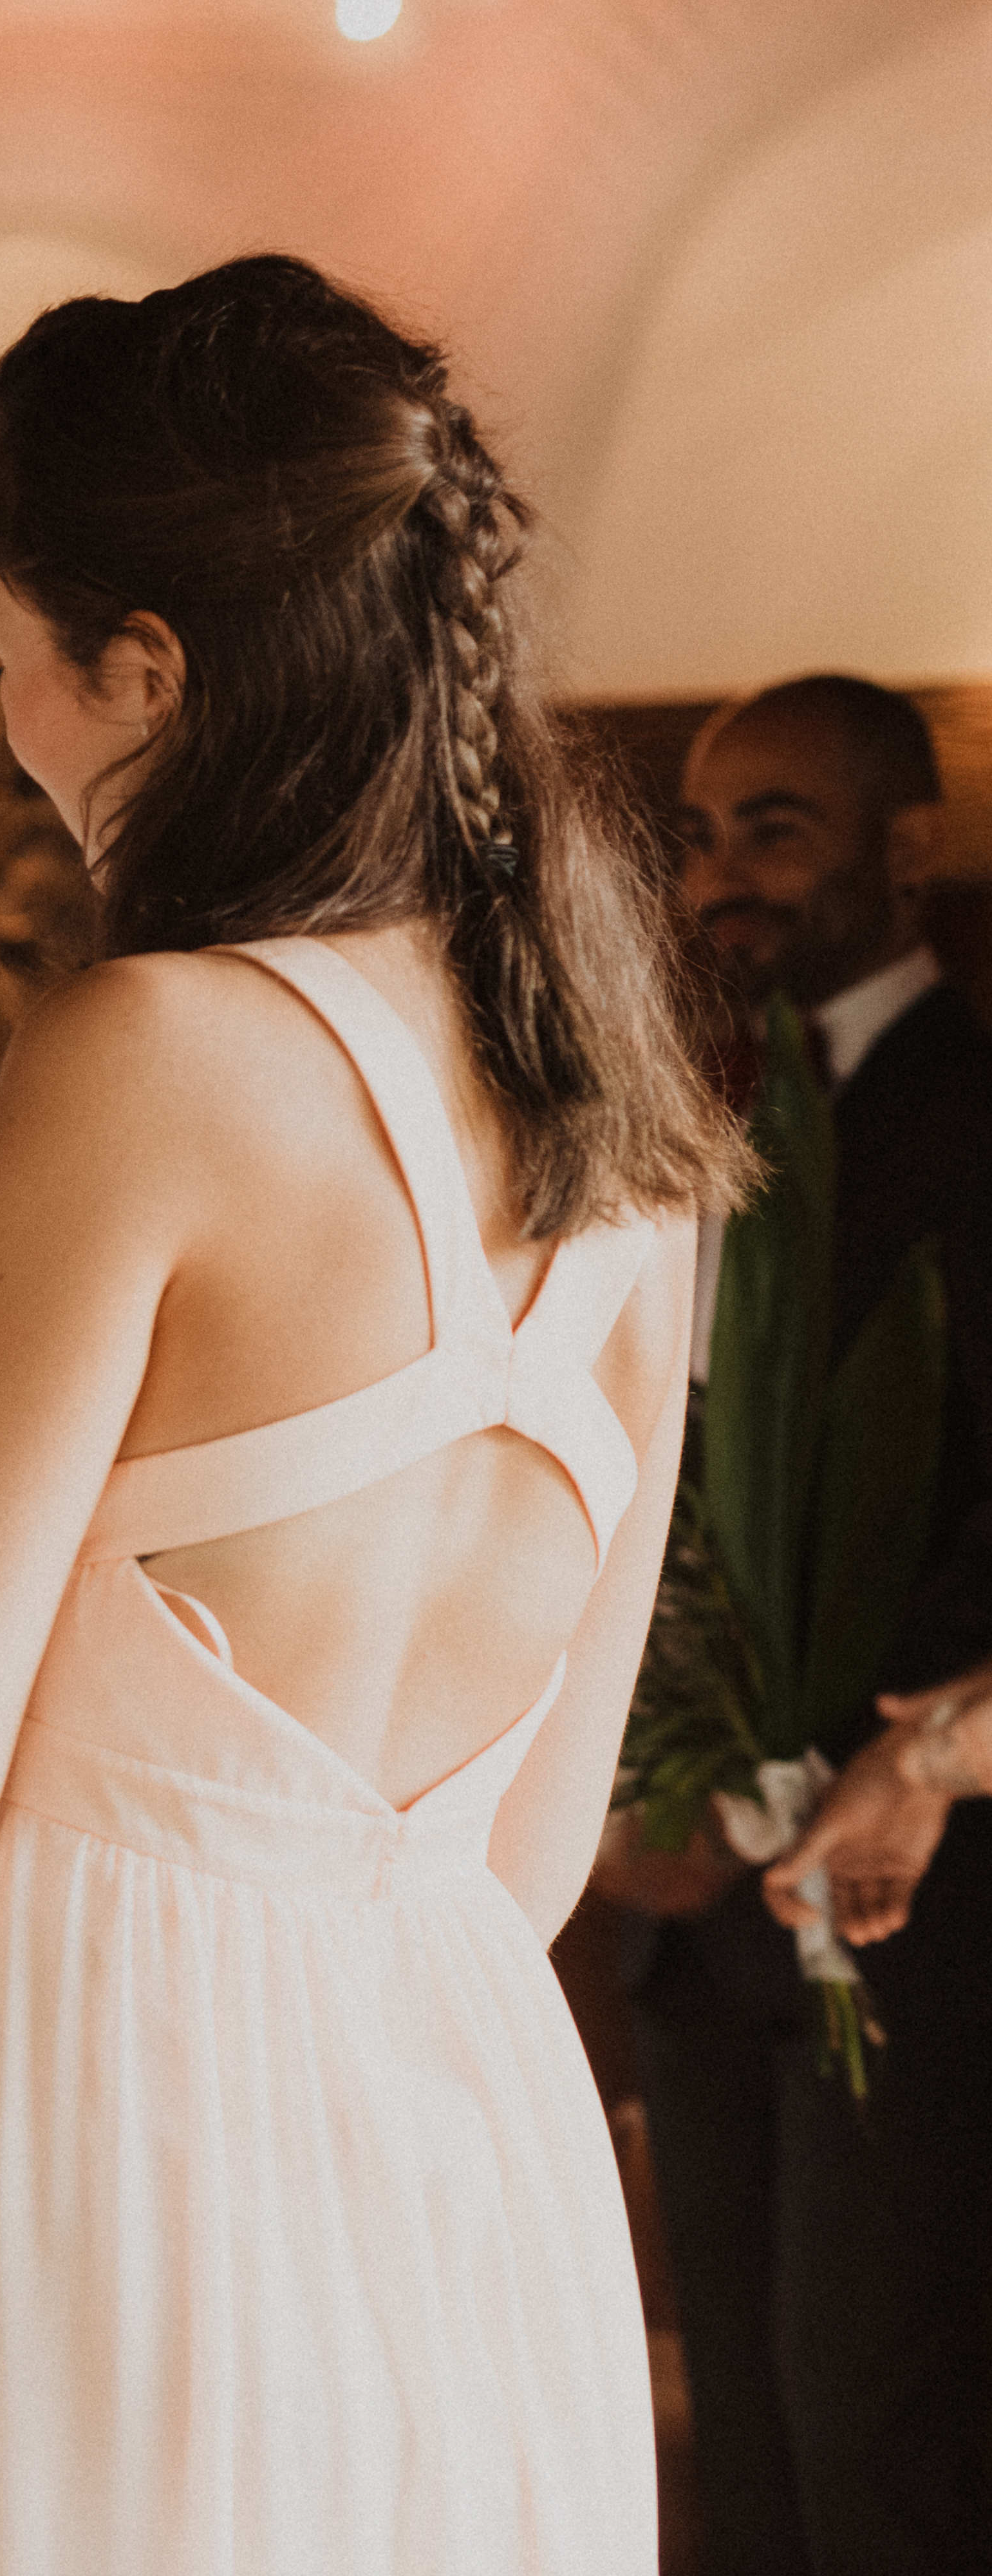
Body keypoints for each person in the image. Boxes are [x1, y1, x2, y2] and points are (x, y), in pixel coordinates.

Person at [0, 256, 745, 2571]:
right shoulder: (639, 1157)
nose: (0, 721)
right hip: (469, 2193)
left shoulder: (147, 1057)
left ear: (140, 674)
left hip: (80, 2151)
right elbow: (533, 1837)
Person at [597, 673, 992, 2576]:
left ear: (901, 852)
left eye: (775, 825)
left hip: (920, 1899)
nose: (720, 873)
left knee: (878, 2438)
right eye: (695, 831)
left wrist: (887, 1748)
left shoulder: (976, 1118)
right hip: (695, 1914)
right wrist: (637, 1765)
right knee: (725, 2442)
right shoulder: (676, 1117)